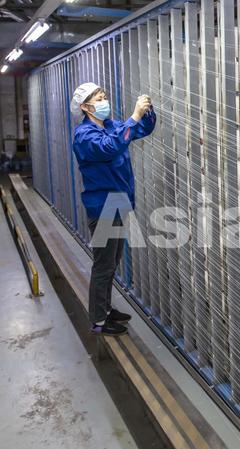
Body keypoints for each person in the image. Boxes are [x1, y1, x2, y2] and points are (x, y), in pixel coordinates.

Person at [70, 82, 156, 336]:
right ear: (86, 107)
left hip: (119, 203)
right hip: (104, 206)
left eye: (104, 96)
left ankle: (106, 309)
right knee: (104, 265)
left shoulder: (111, 126)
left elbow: (141, 129)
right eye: (99, 98)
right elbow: (110, 147)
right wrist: (134, 115)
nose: (104, 101)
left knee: (113, 260)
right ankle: (98, 320)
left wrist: (147, 111)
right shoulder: (84, 136)